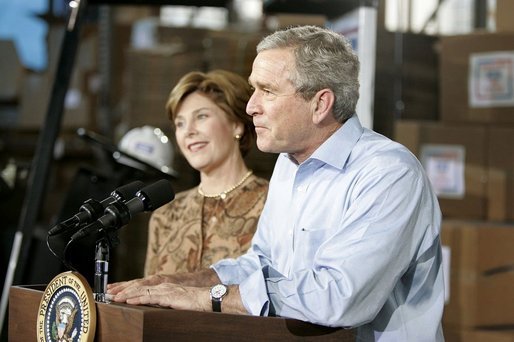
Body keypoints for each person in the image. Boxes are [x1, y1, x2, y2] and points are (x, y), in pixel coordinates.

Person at [108, 26, 444, 341]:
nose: (252, 106)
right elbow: (263, 263)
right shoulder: (289, 164)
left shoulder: (387, 174)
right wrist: (180, 282)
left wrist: (207, 296)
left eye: (267, 91)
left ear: (320, 104)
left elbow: (338, 297)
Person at [144, 70, 269, 276]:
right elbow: (147, 299)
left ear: (236, 124)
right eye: (180, 123)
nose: (189, 131)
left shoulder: (272, 204)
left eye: (201, 116)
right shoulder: (165, 215)